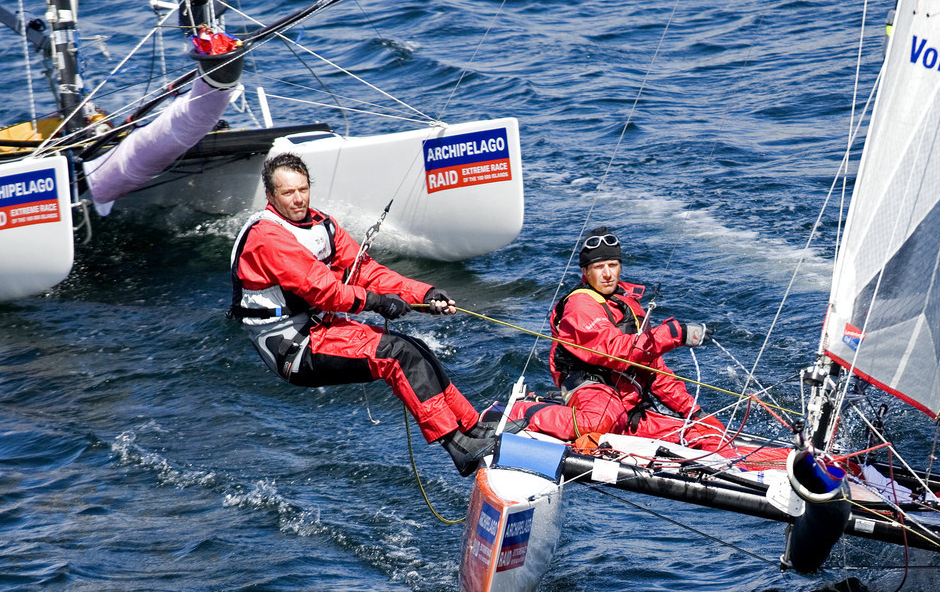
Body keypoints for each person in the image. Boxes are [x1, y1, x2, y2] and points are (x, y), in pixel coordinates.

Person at [229, 152, 499, 475]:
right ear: (271, 196)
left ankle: (471, 426)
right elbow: (323, 291)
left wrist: (423, 294)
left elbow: (365, 272)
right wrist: (377, 303)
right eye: (288, 193)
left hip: (323, 328)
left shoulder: (321, 225)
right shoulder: (267, 237)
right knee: (397, 355)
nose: (298, 199)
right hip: (294, 347)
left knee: (416, 348)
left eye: (303, 189)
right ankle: (457, 446)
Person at [512, 225, 727, 449]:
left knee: (704, 434)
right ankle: (522, 411)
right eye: (599, 267)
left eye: (613, 265)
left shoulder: (629, 307)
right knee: (600, 421)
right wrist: (674, 334)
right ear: (585, 272)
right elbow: (614, 350)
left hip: (627, 408)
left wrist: (694, 412)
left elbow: (654, 370)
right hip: (592, 392)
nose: (607, 274)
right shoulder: (579, 304)